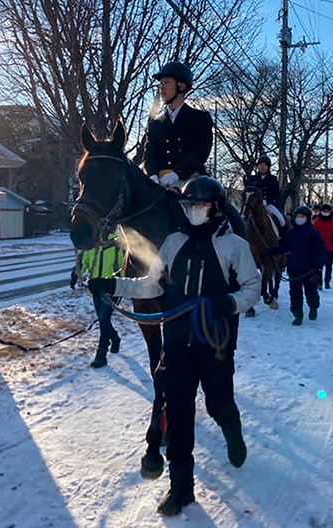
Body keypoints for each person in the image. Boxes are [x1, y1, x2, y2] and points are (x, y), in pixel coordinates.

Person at [87, 177, 260, 516]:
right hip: (178, 342)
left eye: (200, 205)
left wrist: (228, 303)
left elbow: (252, 287)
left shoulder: (234, 245)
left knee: (218, 402)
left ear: (216, 207)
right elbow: (151, 286)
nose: (193, 211)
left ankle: (232, 429)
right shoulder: (172, 242)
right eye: (188, 205)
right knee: (178, 413)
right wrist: (111, 283)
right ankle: (181, 489)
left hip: (215, 343)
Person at [143, 62, 213, 190]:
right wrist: (152, 174)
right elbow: (149, 155)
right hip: (159, 182)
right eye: (160, 83)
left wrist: (178, 173)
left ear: (181, 86)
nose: (161, 87)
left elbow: (200, 152)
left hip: (191, 180)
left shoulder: (200, 119)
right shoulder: (155, 124)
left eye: (167, 82)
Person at [70, 229, 124, 368]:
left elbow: (123, 267)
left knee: (104, 319)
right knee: (102, 319)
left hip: (111, 290)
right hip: (95, 289)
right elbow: (85, 263)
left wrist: (119, 283)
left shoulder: (117, 244)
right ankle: (114, 337)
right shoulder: (92, 244)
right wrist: (76, 274)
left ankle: (102, 354)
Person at [266, 206, 326, 326]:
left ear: (307, 218)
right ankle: (298, 314)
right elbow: (285, 247)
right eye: (298, 216)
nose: (300, 218)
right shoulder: (292, 233)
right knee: (295, 294)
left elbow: (321, 251)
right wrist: (271, 251)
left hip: (309, 269)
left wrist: (318, 265)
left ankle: (313, 307)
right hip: (294, 268)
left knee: (311, 292)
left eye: (302, 216)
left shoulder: (313, 234)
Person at [244, 155, 287, 236]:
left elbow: (275, 193)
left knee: (282, 221)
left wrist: (267, 201)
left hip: (268, 204)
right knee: (244, 217)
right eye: (260, 165)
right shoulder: (253, 179)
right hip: (255, 205)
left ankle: (283, 239)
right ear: (258, 167)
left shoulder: (273, 179)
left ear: (268, 167)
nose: (262, 167)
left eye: (264, 165)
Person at [312, 203, 333, 289]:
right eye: (324, 211)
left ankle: (327, 281)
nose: (325, 212)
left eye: (327, 211)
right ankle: (319, 282)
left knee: (329, 266)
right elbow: (313, 233)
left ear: (330, 212)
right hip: (319, 248)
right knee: (319, 266)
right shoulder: (316, 222)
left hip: (330, 247)